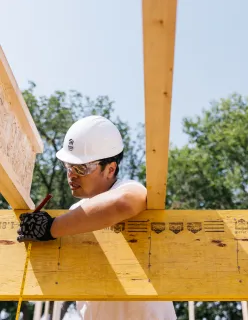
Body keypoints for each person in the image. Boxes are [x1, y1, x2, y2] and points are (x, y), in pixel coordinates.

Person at [17, 115, 177, 320]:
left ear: (110, 169)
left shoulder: (128, 189)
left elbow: (124, 203)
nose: (72, 175)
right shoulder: (77, 211)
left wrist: (50, 228)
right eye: (69, 166)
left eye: (81, 168)